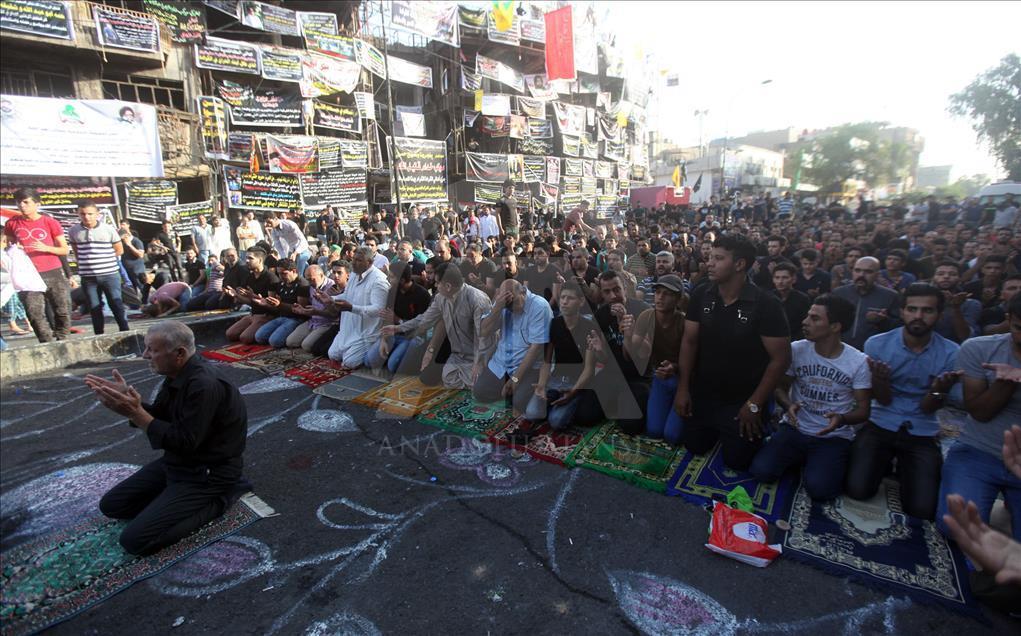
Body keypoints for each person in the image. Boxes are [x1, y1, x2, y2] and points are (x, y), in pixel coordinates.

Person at [86, 322, 247, 555]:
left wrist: (136, 412)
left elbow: (184, 442)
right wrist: (130, 403)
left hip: (208, 471)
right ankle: (172, 503)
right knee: (113, 506)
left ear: (179, 353)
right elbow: (162, 417)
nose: (145, 355)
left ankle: (221, 499)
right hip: (179, 463)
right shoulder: (176, 375)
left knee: (135, 541)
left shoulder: (204, 385)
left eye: (152, 350)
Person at [844, 284, 961, 520]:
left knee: (922, 509)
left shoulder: (951, 352)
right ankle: (885, 462)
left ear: (939, 314)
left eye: (927, 310)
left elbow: (928, 408)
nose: (918, 316)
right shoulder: (877, 344)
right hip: (881, 421)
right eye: (912, 309)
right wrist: (880, 381)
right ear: (902, 311)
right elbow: (882, 399)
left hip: (921, 428)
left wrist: (938, 391)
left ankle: (903, 466)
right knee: (857, 489)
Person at [674, 235, 791, 471]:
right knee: (694, 445)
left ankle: (767, 416)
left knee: (737, 461)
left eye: (718, 258)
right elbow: (689, 341)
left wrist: (755, 404)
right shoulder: (701, 294)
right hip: (705, 392)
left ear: (739, 264)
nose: (709, 263)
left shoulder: (766, 304)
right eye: (710, 257)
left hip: (743, 398)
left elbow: (781, 359)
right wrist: (683, 388)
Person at [750, 295, 871, 500]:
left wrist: (841, 419)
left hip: (832, 437)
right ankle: (803, 458)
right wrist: (788, 404)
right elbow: (780, 388)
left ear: (835, 327)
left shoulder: (858, 362)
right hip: (795, 429)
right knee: (761, 471)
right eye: (807, 316)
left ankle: (819, 461)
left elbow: (863, 411)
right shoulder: (797, 349)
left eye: (815, 318)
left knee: (820, 491)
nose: (805, 322)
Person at [937, 294, 1021, 540]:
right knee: (957, 527)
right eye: (1019, 328)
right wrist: (1006, 384)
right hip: (979, 451)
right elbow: (980, 412)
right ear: (1008, 320)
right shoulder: (979, 349)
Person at [384, 262, 493, 389]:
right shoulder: (441, 298)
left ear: (448, 286)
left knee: (477, 383)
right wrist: (399, 328)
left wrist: (478, 362)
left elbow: (483, 336)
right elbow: (425, 319)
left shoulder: (477, 300)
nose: (435, 285)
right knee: (448, 378)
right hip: (458, 353)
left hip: (478, 352)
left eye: (437, 283)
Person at [523, 282, 602, 431]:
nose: (564, 302)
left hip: (577, 382)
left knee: (556, 421)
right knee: (532, 414)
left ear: (581, 301)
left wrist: (573, 393)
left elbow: (589, 369)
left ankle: (574, 401)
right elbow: (547, 361)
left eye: (570, 298)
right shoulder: (555, 324)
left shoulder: (589, 327)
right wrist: (541, 385)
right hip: (556, 379)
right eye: (562, 297)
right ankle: (556, 402)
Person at [3, 188, 72, 342]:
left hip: (52, 271)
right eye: (19, 202)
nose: (22, 205)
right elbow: (7, 245)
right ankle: (46, 342)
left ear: (37, 204)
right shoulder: (12, 223)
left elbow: (64, 249)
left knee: (62, 309)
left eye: (26, 202)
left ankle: (63, 339)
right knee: (33, 312)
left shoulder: (50, 222)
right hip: (27, 274)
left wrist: (46, 248)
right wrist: (13, 248)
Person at [475, 279, 552, 414]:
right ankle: (512, 392)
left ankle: (521, 392)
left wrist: (515, 379)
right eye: (508, 305)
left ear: (523, 292)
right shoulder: (503, 303)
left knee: (519, 402)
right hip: (502, 363)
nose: (511, 308)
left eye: (514, 302)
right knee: (479, 392)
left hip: (528, 367)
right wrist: (498, 308)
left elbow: (534, 350)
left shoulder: (540, 307)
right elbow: (483, 332)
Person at [625, 274, 686, 444]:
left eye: (667, 294)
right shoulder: (647, 316)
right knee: (654, 431)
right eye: (658, 292)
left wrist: (674, 367)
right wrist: (628, 337)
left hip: (682, 379)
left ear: (678, 299)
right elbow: (631, 355)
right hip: (659, 377)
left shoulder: (684, 322)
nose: (660, 297)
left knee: (672, 436)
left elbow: (693, 359)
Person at [591, 270, 651, 433]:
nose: (613, 296)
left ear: (624, 287)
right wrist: (598, 351)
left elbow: (645, 354)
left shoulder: (643, 310)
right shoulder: (601, 315)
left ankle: (623, 401)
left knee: (630, 426)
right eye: (607, 292)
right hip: (612, 373)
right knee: (585, 415)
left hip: (639, 376)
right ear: (602, 294)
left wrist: (629, 332)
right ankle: (618, 399)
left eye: (616, 289)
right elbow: (604, 359)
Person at [67, 200, 129, 334]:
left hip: (109, 274)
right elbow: (77, 251)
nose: (86, 217)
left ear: (97, 214)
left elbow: (119, 250)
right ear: (78, 214)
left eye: (90, 214)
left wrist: (102, 258)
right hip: (88, 276)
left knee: (116, 304)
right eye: (83, 214)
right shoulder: (73, 231)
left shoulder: (108, 229)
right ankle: (99, 335)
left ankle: (125, 332)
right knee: (94, 307)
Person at [327, 247, 389, 369]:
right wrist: (331, 299)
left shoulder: (379, 280)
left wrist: (351, 308)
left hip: (368, 331)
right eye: (353, 259)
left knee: (349, 362)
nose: (354, 263)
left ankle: (376, 348)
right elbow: (347, 295)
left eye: (359, 260)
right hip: (350, 328)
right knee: (332, 355)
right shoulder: (354, 275)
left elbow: (378, 310)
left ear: (369, 262)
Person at [371, 263, 430, 374]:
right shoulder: (392, 292)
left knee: (393, 366)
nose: (388, 279)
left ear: (402, 280)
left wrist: (398, 320)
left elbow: (421, 325)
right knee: (370, 361)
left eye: (391, 277)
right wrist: (383, 340)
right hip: (393, 334)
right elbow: (387, 318)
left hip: (412, 336)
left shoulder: (422, 295)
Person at [831, 256, 901, 350]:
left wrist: (882, 321)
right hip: (840, 349)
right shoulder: (839, 293)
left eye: (868, 272)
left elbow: (898, 328)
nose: (861, 275)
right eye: (857, 270)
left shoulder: (890, 296)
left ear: (877, 274)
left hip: (873, 351)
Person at [224, 249, 280, 344]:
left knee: (245, 338)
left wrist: (254, 297)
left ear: (260, 260)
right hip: (253, 314)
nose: (246, 261)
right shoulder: (250, 277)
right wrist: (236, 295)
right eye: (246, 258)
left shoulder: (271, 278)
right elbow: (250, 301)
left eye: (250, 258)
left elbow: (273, 306)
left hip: (266, 315)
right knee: (230, 334)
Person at [252, 259, 310, 349]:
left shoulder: (302, 285)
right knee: (259, 337)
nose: (281, 276)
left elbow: (301, 309)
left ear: (294, 271)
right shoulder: (282, 283)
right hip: (281, 316)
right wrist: (266, 303)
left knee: (275, 341)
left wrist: (280, 305)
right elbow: (276, 306)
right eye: (279, 273)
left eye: (284, 273)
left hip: (296, 319)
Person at [285, 264, 338, 352]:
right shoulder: (312, 287)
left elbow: (334, 314)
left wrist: (316, 312)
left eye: (312, 279)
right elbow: (310, 308)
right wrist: (303, 310)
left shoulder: (333, 287)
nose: (309, 282)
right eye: (307, 280)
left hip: (327, 323)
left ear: (321, 275)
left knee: (306, 345)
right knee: (290, 342)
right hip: (313, 321)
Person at [931, 260, 981, 342]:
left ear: (959, 278)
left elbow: (964, 336)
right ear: (933, 277)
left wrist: (955, 307)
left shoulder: (971, 304)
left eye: (952, 274)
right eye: (940, 274)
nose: (946, 276)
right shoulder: (921, 300)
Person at [772, 261, 812, 333]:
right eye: (777, 278)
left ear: (793, 279)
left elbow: (805, 324)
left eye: (785, 277)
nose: (780, 281)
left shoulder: (802, 299)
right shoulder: (768, 298)